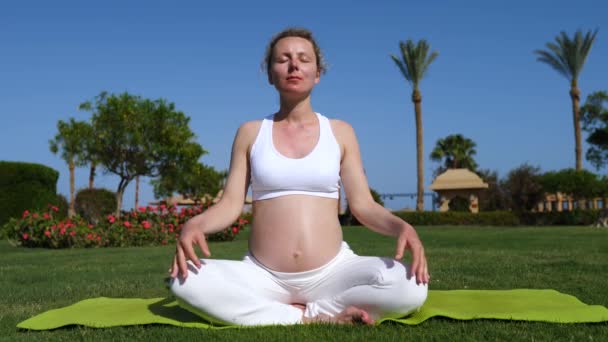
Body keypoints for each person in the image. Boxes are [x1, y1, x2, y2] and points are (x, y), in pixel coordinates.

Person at [169, 27, 429, 326]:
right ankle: (308, 316)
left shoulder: (340, 132)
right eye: (283, 59)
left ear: (317, 73)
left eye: (303, 59)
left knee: (411, 288)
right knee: (182, 282)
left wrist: (401, 227)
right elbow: (230, 205)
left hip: (334, 271)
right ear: (270, 74)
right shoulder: (251, 133)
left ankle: (300, 311)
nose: (294, 65)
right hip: (262, 275)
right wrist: (195, 223)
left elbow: (363, 205)